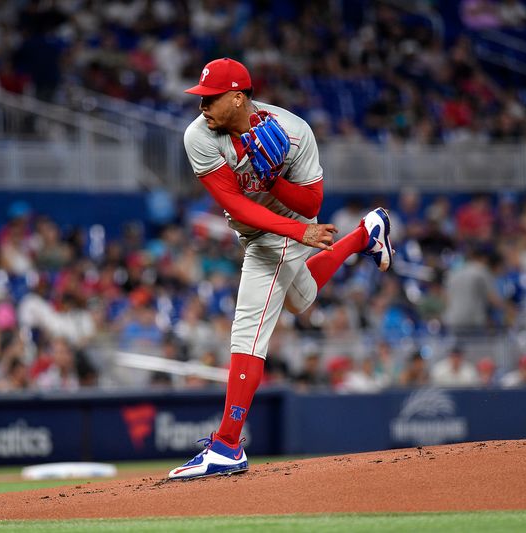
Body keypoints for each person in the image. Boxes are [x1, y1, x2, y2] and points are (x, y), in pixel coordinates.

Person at [168, 58, 394, 480]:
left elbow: (310, 205)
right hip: (263, 227)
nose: (202, 108)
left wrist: (275, 184)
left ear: (238, 97)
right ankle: (364, 234)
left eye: (210, 99)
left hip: (285, 229)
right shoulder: (198, 136)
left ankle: (227, 444)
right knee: (300, 300)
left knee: (248, 326)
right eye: (200, 99)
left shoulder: (294, 132)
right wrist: (296, 229)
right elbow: (233, 204)